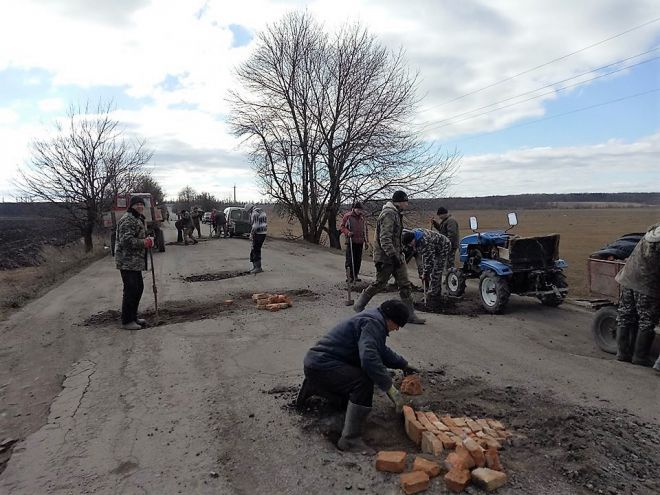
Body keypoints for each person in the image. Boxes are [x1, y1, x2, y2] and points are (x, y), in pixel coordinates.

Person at [298, 299, 419, 452]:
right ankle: (349, 440)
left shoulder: (374, 318)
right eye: (398, 325)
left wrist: (403, 364)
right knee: (362, 382)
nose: (397, 330)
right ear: (390, 320)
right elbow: (369, 358)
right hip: (322, 366)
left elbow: (380, 350)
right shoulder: (373, 324)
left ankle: (316, 387)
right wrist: (390, 388)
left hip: (316, 363)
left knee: (353, 390)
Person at [353, 191, 425, 324]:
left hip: (397, 256)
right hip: (386, 257)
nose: (407, 204)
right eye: (405, 201)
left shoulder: (396, 214)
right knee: (380, 283)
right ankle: (359, 305)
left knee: (405, 285)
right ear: (399, 202)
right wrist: (393, 256)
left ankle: (410, 315)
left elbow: (395, 237)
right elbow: (385, 238)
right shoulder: (389, 214)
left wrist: (400, 253)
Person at [614, 222, 660, 367]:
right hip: (646, 284)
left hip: (629, 278)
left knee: (625, 315)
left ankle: (622, 353)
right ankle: (640, 357)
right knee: (646, 320)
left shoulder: (652, 232)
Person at [115, 196, 153, 330]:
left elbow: (138, 235)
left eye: (141, 204)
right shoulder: (127, 220)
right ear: (131, 206)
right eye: (137, 204)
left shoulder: (137, 218)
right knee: (131, 290)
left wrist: (147, 239)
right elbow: (126, 241)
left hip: (134, 261)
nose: (139, 206)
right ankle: (127, 321)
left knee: (138, 289)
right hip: (127, 261)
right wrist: (144, 242)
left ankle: (133, 316)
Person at [402, 228, 452, 306]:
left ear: (413, 239)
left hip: (443, 246)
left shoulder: (424, 241)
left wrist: (425, 274)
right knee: (432, 270)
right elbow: (425, 256)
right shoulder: (414, 235)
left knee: (436, 271)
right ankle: (436, 292)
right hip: (434, 246)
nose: (410, 246)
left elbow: (429, 261)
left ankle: (433, 295)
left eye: (410, 243)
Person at [340, 202, 370, 282]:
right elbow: (342, 227)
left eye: (361, 210)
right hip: (351, 241)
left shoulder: (362, 218)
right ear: (354, 208)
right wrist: (347, 232)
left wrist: (366, 241)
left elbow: (365, 230)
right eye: (359, 209)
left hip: (360, 242)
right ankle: (349, 276)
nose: (360, 211)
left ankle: (355, 275)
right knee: (350, 259)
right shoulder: (348, 216)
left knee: (358, 260)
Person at [245, 203, 267, 274]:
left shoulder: (254, 213)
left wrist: (251, 234)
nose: (248, 213)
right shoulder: (260, 210)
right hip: (263, 232)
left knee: (255, 250)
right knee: (256, 249)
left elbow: (255, 225)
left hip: (258, 233)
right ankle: (256, 267)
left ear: (249, 210)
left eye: (248, 212)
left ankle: (257, 268)